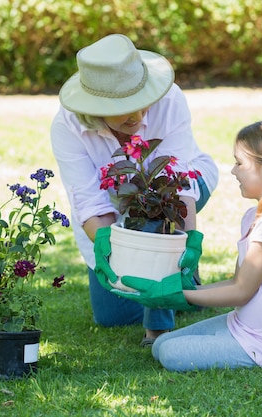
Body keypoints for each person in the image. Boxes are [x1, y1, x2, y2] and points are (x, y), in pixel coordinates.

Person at [50, 34, 219, 345]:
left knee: (153, 214)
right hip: (115, 215)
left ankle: (158, 327)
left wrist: (189, 242)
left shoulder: (169, 101)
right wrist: (106, 243)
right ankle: (177, 285)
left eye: (142, 102)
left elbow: (176, 184)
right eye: (126, 108)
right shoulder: (67, 127)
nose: (140, 115)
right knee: (111, 317)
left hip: (177, 192)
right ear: (96, 106)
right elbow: (89, 202)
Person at [151, 117, 262, 371]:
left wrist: (180, 296)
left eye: (239, 163)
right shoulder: (254, 217)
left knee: (169, 353)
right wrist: (183, 289)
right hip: (241, 326)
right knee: (160, 344)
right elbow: (236, 282)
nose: (233, 170)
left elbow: (241, 292)